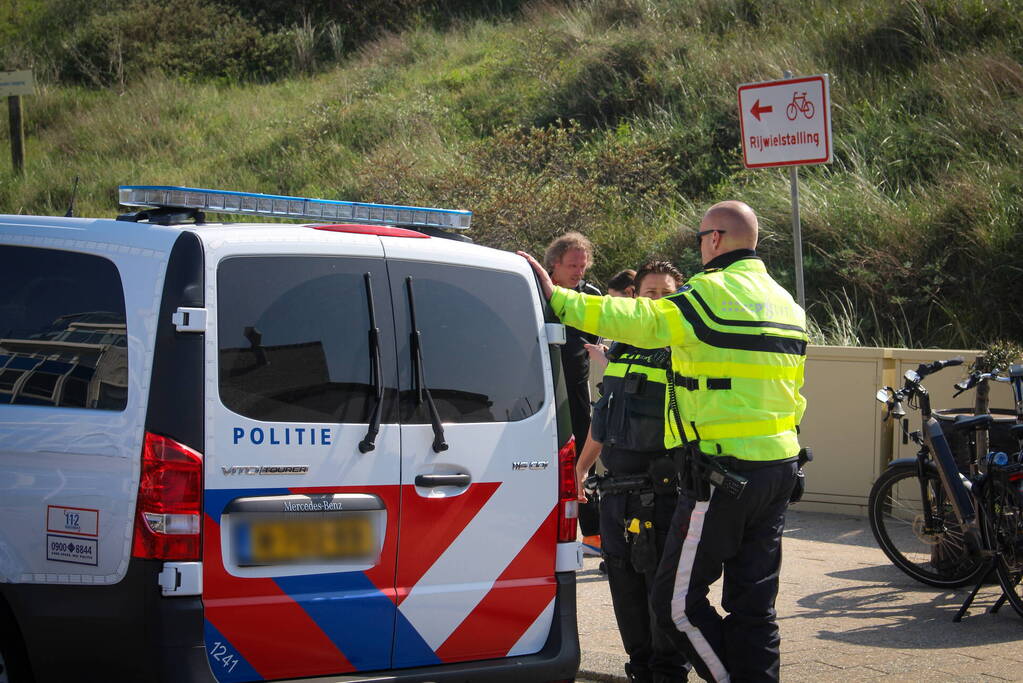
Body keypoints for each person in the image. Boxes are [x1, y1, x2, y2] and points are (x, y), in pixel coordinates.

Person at [520, 201, 807, 682]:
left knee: (674, 605)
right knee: (754, 607)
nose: (699, 247)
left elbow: (641, 321)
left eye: (699, 238)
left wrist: (561, 298)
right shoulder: (787, 304)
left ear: (714, 239)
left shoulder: (710, 293)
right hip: (779, 470)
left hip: (722, 475)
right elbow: (795, 394)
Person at [576, 261, 691, 683]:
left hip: (664, 495)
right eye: (649, 294)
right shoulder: (621, 349)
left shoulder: (685, 350)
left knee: (663, 591)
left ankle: (667, 672)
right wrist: (581, 467)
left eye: (666, 294)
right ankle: (639, 669)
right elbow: (604, 418)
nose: (657, 301)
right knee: (624, 589)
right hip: (617, 496)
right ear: (635, 298)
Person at [544, 231, 602, 554]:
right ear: (555, 263)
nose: (579, 272)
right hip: (542, 387)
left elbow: (591, 336)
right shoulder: (537, 292)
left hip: (577, 389)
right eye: (572, 266)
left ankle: (593, 535)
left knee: (583, 458)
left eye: (583, 266)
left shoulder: (590, 294)